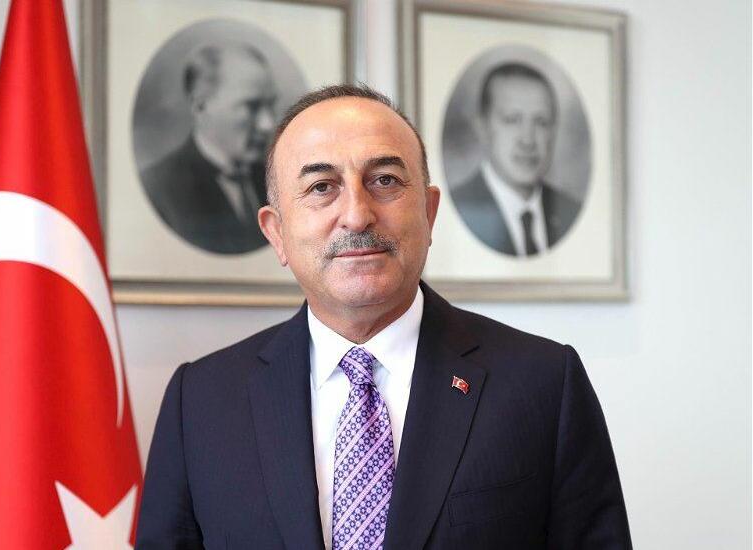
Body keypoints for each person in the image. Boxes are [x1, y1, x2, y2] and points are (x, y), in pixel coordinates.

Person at [136, 85, 631, 549]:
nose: (357, 214)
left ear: (429, 213)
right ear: (276, 233)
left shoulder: (545, 384)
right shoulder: (198, 401)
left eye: (385, 181)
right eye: (321, 186)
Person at [140, 43, 276, 254]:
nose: (268, 124)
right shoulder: (160, 188)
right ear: (200, 106)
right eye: (251, 106)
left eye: (271, 105)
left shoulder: (275, 180)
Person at [451, 63, 582, 257]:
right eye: (512, 120)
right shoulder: (460, 208)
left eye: (541, 122)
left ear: (553, 131)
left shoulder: (571, 211)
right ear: (482, 127)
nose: (528, 140)